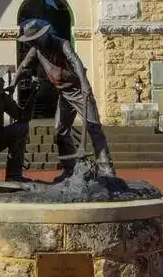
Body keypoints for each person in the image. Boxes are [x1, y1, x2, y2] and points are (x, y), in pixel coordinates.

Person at [15, 19, 113, 177]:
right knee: (60, 131)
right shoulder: (36, 50)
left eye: (34, 39)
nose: (32, 43)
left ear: (43, 35)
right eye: (30, 41)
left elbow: (76, 63)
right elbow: (24, 66)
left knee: (94, 127)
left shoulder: (62, 44)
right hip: (64, 95)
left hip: (80, 92)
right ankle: (69, 168)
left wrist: (85, 85)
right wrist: (13, 84)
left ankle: (106, 166)